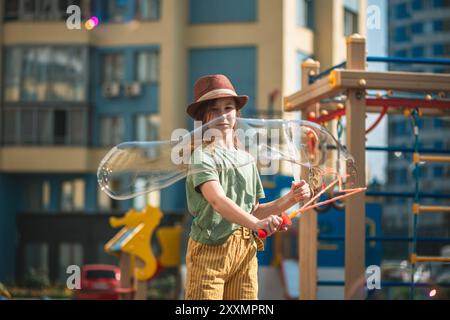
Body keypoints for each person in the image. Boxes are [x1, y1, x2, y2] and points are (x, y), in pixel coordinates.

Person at [184, 74, 311, 300]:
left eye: (228, 108)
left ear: (236, 113)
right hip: (209, 252)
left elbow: (253, 210)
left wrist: (290, 199)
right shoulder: (201, 156)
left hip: (245, 251)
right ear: (203, 117)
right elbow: (217, 201)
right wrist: (257, 223)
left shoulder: (246, 158)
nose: (222, 115)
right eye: (214, 110)